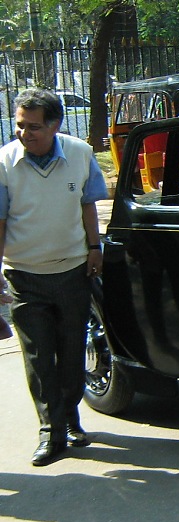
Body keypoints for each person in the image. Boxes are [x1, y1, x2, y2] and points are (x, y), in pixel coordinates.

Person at [0, 88, 108, 466]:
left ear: (55, 125)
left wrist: (94, 248)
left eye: (33, 127)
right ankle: (51, 431)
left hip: (72, 270)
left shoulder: (79, 154)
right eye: (19, 125)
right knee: (39, 356)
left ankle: (69, 416)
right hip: (24, 275)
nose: (23, 134)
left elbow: (88, 204)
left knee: (71, 350)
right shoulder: (4, 163)